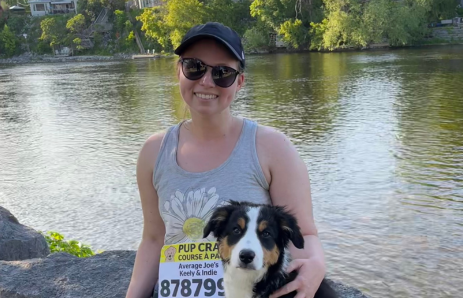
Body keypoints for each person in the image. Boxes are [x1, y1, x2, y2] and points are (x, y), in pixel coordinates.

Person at [125, 22, 326, 298]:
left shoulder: (273, 148)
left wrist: (316, 265)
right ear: (179, 70)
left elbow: (304, 233)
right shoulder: (153, 152)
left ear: (239, 82)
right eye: (194, 67)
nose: (206, 82)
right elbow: (153, 239)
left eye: (222, 73)